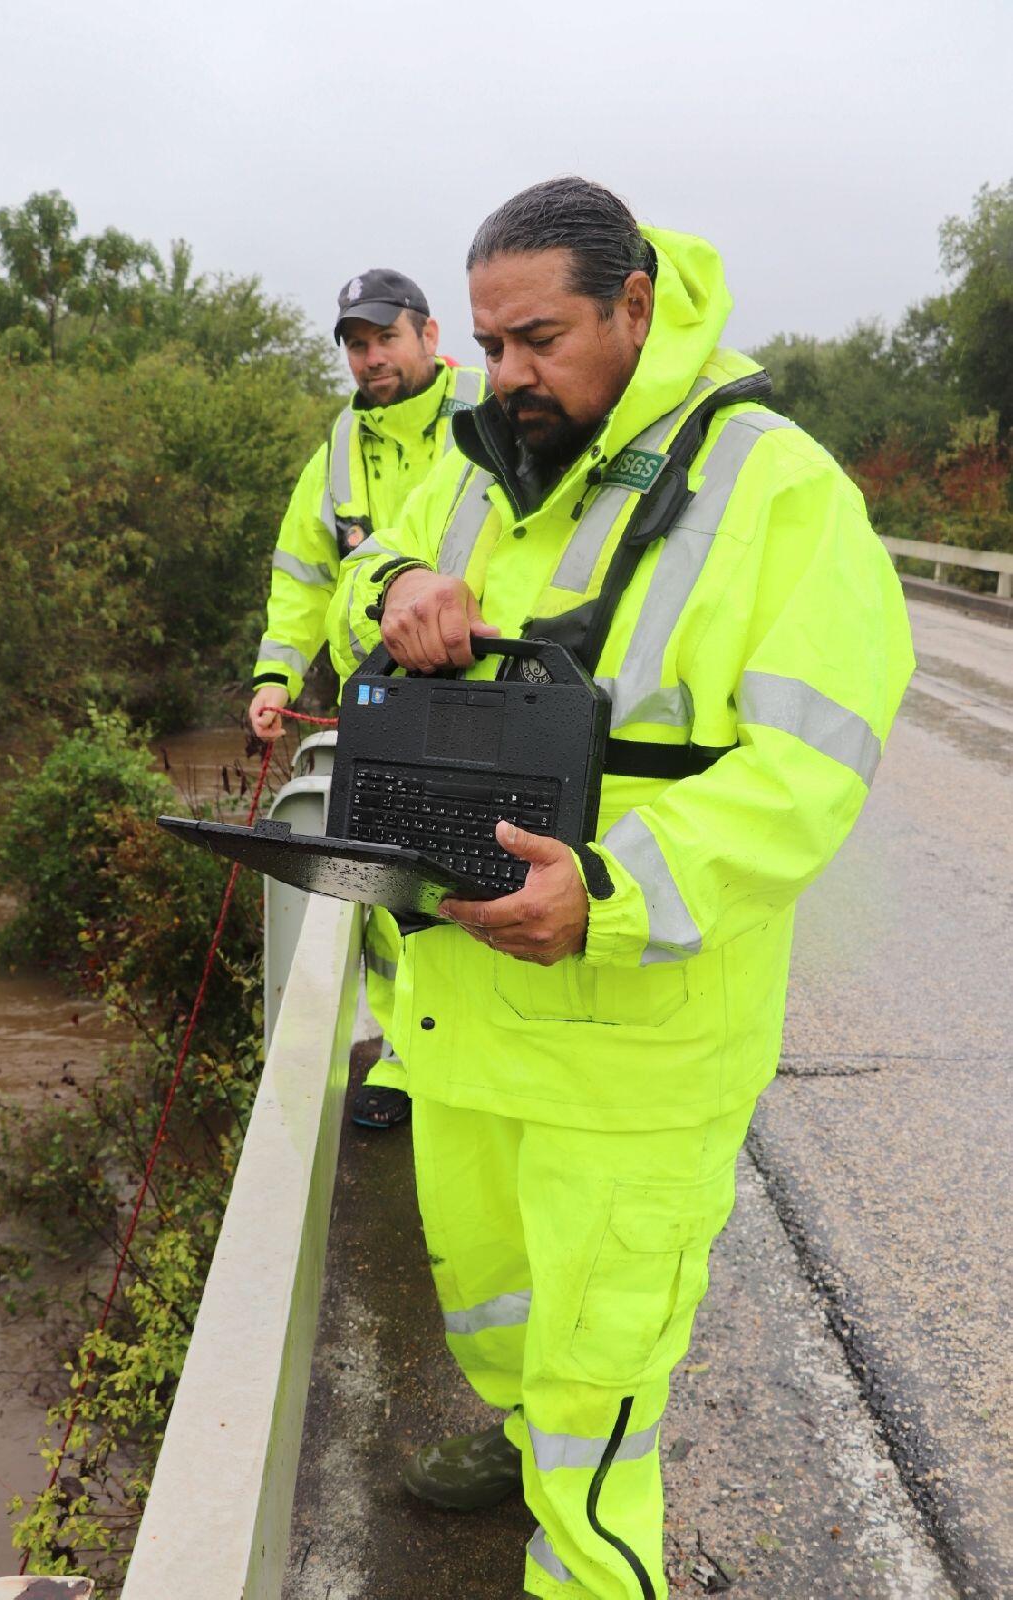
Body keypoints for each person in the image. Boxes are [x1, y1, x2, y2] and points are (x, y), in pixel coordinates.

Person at [325, 178, 915, 1599]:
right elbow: (358, 572)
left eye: (537, 340)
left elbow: (811, 771)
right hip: (464, 1013)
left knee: (604, 1379)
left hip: (635, 1046)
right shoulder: (472, 462)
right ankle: (520, 1439)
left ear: (634, 307)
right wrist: (395, 582)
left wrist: (611, 889)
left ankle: (586, 1561)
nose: (507, 376)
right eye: (487, 345)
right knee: (493, 1302)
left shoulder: (777, 488)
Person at [249, 268, 485, 1129]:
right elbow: (301, 578)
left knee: (481, 869)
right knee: (391, 888)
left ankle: (485, 1053)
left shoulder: (494, 407)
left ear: (429, 335)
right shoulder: (338, 450)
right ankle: (402, 1056)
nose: (369, 356)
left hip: (483, 698)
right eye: (355, 342)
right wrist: (275, 678)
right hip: (378, 708)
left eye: (385, 336)